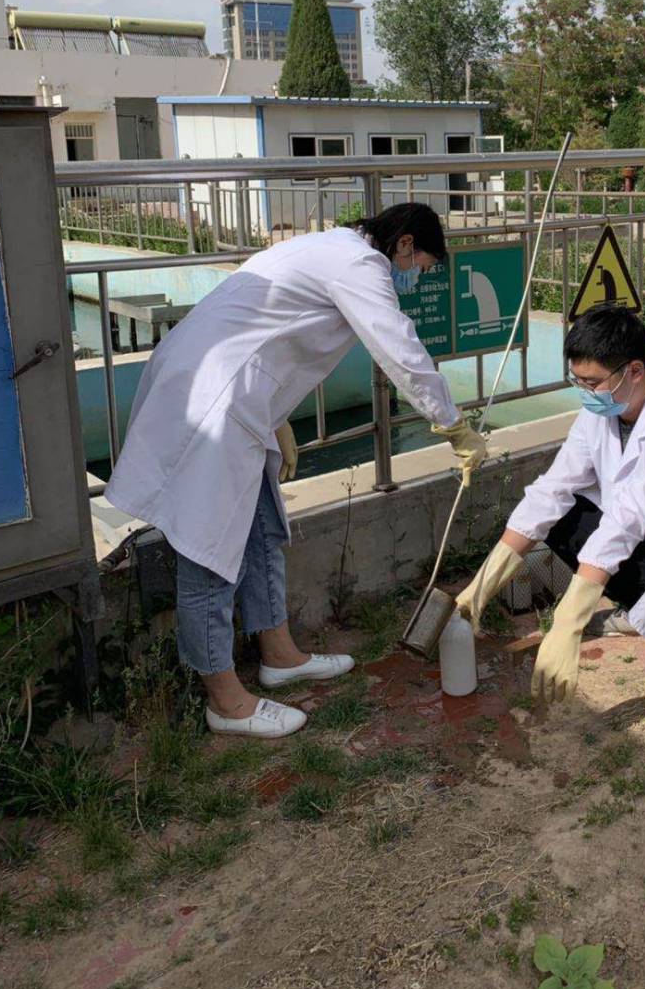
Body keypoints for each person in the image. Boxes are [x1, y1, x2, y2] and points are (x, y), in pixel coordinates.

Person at [106, 203, 486, 738]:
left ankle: (279, 655)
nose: (415, 276)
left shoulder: (325, 247)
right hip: (214, 398)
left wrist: (276, 417)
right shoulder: (360, 265)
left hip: (236, 389)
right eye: (420, 264)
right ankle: (225, 702)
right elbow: (398, 348)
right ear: (403, 244)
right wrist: (452, 426)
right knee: (207, 551)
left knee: (262, 530)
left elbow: (266, 326)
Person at [455, 304, 645, 706]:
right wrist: (481, 587)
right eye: (578, 381)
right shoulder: (602, 414)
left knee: (620, 539)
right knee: (563, 517)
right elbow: (552, 489)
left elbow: (630, 517)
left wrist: (569, 620)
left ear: (634, 371)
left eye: (592, 382)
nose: (585, 393)